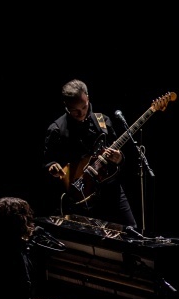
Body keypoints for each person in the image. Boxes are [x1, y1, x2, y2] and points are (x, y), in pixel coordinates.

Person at [42, 79, 137, 228]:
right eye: (75, 110)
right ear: (66, 106)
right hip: (81, 196)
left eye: (84, 107)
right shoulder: (56, 130)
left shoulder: (103, 121)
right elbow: (48, 161)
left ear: (88, 97)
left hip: (110, 189)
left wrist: (119, 158)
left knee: (131, 232)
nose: (81, 113)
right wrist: (52, 166)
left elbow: (120, 156)